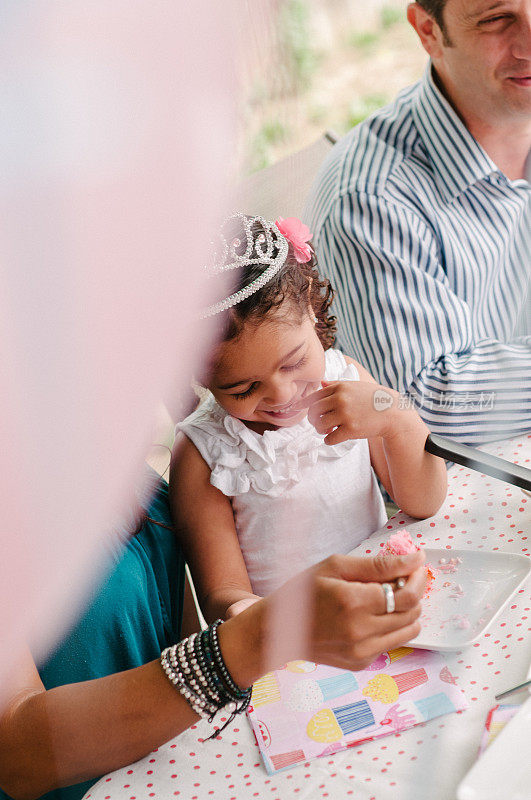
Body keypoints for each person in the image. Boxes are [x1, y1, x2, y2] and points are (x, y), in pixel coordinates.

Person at [0, 468, 427, 800]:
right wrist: (254, 640)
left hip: (173, 772)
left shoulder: (113, 462)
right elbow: (17, 755)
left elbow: (175, 634)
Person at [170, 214, 446, 622]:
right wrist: (252, 612)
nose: (282, 395)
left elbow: (424, 502)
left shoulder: (347, 381)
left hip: (386, 602)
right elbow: (222, 595)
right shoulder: (203, 455)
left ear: (313, 313)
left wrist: (395, 416)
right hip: (297, 643)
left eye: (295, 361)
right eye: (242, 389)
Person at [305, 0, 531, 445]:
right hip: (464, 490)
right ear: (428, 31)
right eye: (497, 19)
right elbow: (423, 403)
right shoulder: (371, 199)